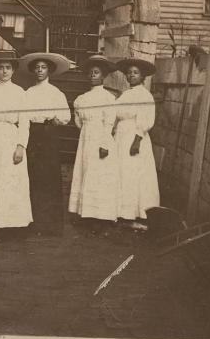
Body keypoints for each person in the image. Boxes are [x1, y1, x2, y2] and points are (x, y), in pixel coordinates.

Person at [20, 52, 73, 236]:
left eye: (43, 68)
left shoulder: (55, 93)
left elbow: (66, 117)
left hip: (49, 135)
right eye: (37, 68)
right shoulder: (28, 93)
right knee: (33, 176)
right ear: (34, 71)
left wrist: (54, 120)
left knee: (49, 177)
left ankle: (50, 225)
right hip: (33, 135)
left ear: (49, 71)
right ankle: (33, 222)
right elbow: (24, 117)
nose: (40, 71)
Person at [68, 55, 121, 232]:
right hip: (86, 139)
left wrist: (104, 143)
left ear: (103, 76)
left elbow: (109, 122)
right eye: (90, 73)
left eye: (96, 73)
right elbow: (78, 121)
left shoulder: (108, 98)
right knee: (85, 173)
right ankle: (86, 213)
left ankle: (101, 216)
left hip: (101, 138)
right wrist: (86, 131)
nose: (93, 75)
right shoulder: (82, 99)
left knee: (99, 176)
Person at [0, 49, 33, 237]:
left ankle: (13, 224)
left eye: (8, 68)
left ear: (13, 71)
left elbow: (24, 121)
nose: (4, 71)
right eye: (1, 68)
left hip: (11, 138)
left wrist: (21, 146)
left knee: (12, 181)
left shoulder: (20, 92)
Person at [113, 57, 160, 224]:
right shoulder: (126, 94)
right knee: (121, 172)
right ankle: (121, 210)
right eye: (129, 72)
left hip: (134, 136)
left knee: (132, 172)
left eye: (136, 73)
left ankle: (134, 212)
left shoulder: (144, 95)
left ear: (143, 76)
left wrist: (137, 141)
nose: (131, 75)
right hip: (122, 135)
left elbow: (146, 119)